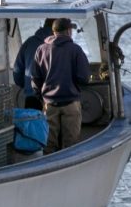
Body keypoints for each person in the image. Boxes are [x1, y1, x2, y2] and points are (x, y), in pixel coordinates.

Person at [31, 18, 90, 154]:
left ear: (53, 32)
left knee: (48, 146)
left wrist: (41, 97)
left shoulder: (41, 49)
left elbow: (35, 78)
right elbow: (84, 78)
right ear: (69, 31)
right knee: (70, 146)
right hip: (71, 104)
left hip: (49, 105)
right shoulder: (75, 50)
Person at [13, 18, 54, 103]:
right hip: (54, 97)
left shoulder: (30, 42)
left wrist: (26, 85)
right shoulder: (64, 46)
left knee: (31, 116)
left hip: (32, 95)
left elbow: (17, 70)